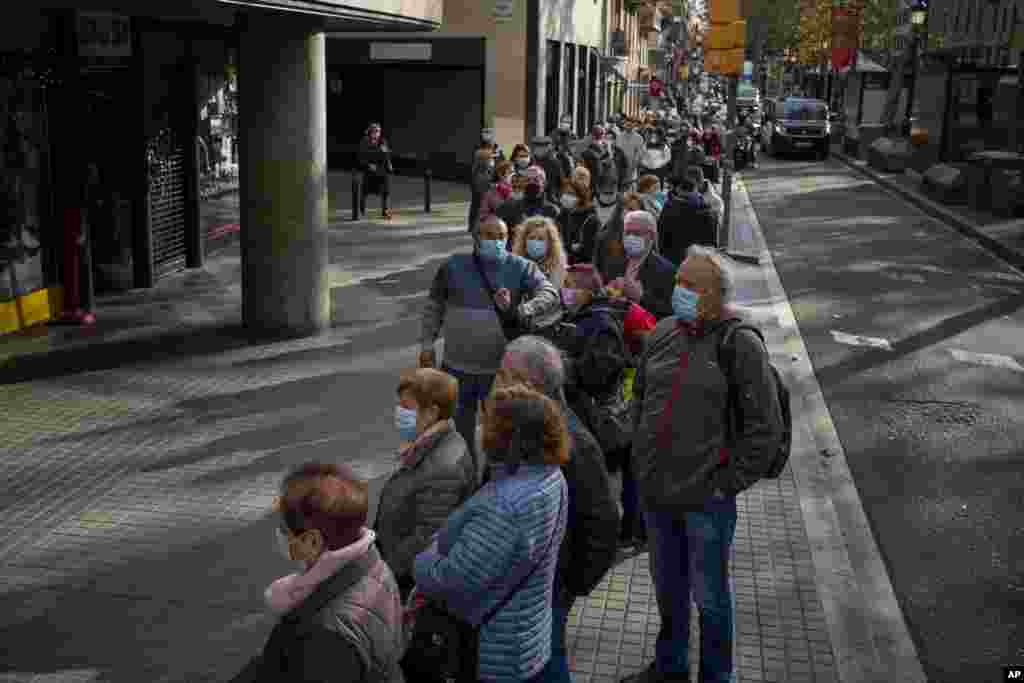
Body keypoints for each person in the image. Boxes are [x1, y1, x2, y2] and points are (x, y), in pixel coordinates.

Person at [623, 246, 785, 683]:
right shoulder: (663, 332)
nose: (679, 290)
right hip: (657, 493)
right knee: (668, 590)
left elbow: (764, 429)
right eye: (679, 281)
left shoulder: (740, 343)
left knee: (710, 598)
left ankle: (716, 676)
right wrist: (640, 453)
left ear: (716, 294)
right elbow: (640, 396)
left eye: (690, 285)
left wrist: (725, 484)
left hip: (705, 501)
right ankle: (671, 667)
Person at [413, 384, 569, 683]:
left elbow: (452, 579)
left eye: (488, 423)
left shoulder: (504, 505)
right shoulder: (551, 476)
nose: (482, 428)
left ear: (508, 438)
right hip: (528, 635)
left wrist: (423, 560)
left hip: (494, 648)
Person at [493, 336, 620, 683]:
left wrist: (569, 586)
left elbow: (603, 522)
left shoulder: (572, 444)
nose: (496, 384)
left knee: (547, 661)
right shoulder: (525, 424)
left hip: (549, 587)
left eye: (504, 375)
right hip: (526, 580)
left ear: (529, 383)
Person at [231, 463, 405, 683]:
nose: (279, 534)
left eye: (284, 529)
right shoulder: (372, 563)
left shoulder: (326, 635)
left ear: (312, 541)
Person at [419, 215, 560, 480]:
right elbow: (433, 307)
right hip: (456, 368)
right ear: (476, 237)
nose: (495, 241)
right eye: (489, 236)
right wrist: (427, 344)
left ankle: (494, 481)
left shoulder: (521, 266)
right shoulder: (453, 266)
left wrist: (523, 309)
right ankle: (465, 480)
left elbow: (549, 293)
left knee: (500, 433)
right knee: (458, 434)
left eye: (501, 236)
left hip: (499, 372)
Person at [558, 265, 656, 550]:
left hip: (603, 414)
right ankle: (630, 529)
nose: (566, 290)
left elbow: (601, 370)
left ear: (588, 291)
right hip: (606, 413)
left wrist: (566, 367)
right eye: (565, 284)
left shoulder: (599, 323)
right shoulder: (585, 316)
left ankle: (627, 532)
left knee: (612, 474)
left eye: (571, 285)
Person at [374, 368, 477, 601]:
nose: (399, 413)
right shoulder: (428, 445)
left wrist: (384, 573)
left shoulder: (444, 468)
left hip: (407, 582)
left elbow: (426, 539)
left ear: (431, 412)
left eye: (406, 407)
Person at [605, 210, 675, 321]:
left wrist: (640, 297)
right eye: (627, 233)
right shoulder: (613, 262)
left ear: (651, 236)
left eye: (637, 233)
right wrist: (607, 292)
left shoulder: (666, 270)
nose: (630, 238)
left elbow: (668, 313)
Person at [496, 166, 561, 245]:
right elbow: (500, 238)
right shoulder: (508, 208)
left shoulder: (552, 211)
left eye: (536, 180)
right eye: (528, 180)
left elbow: (557, 242)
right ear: (523, 183)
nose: (531, 183)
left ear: (544, 183)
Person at [592, 191, 645, 286]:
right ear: (620, 210)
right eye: (628, 209)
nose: (631, 213)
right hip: (608, 288)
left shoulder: (646, 239)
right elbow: (596, 265)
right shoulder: (606, 235)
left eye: (635, 211)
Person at [556, 166, 601, 266]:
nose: (566, 197)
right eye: (565, 193)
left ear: (580, 197)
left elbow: (589, 253)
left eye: (570, 194)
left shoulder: (591, 219)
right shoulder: (561, 216)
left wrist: (570, 251)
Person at [357, 123, 393, 220]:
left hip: (381, 170)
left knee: (385, 191)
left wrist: (389, 163)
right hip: (369, 170)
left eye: (379, 131)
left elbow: (387, 154)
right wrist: (368, 165)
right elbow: (361, 157)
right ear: (371, 132)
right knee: (365, 191)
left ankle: (385, 211)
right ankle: (361, 210)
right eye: (375, 131)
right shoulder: (365, 141)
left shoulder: (382, 141)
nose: (377, 133)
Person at [478, 159, 515, 232]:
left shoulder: (517, 188)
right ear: (500, 174)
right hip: (497, 228)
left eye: (513, 172)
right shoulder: (492, 191)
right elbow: (484, 213)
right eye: (510, 172)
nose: (513, 175)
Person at [530, 135, 566, 205]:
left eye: (542, 146)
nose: (539, 149)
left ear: (547, 148)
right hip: (532, 198)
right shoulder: (531, 161)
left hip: (549, 198)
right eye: (537, 146)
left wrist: (557, 197)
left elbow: (562, 183)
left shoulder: (554, 163)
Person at [470, 148, 498, 235]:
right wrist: (493, 186)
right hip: (482, 202)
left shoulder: (486, 171)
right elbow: (483, 188)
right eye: (490, 159)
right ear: (483, 161)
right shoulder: (480, 174)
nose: (492, 161)